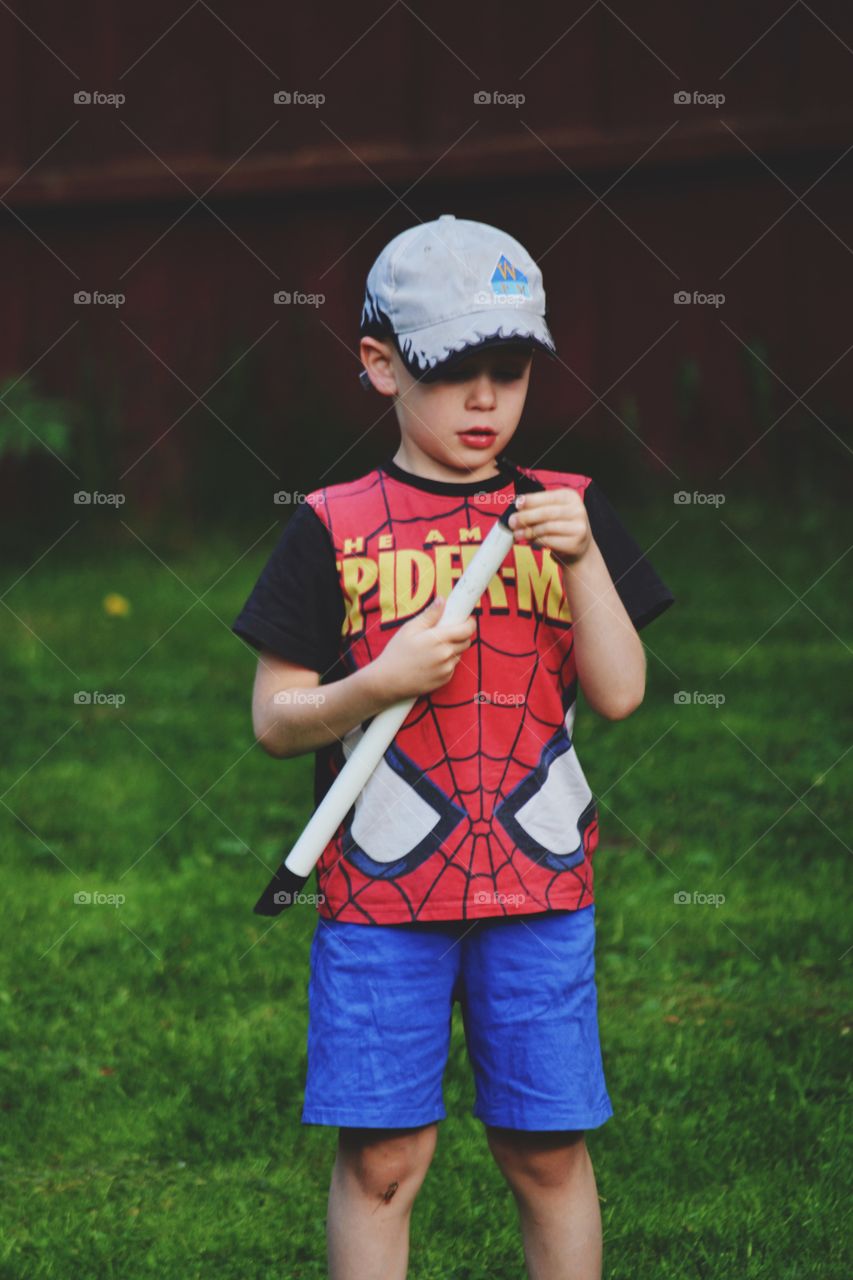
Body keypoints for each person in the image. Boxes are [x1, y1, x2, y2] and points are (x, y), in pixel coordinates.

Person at [232, 214, 676, 1280]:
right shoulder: (331, 525)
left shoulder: (565, 511)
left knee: (545, 1150)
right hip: (382, 895)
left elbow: (618, 692)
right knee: (385, 1156)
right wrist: (376, 683)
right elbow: (274, 720)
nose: (485, 400)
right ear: (380, 365)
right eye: (451, 370)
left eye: (509, 369)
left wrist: (582, 566)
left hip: (539, 883)